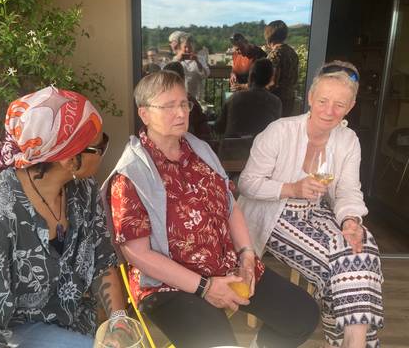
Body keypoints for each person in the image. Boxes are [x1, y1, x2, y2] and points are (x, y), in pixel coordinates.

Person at [100, 71, 319, 348]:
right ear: (144, 114)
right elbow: (137, 253)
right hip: (172, 286)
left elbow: (231, 207)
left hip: (228, 267)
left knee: (302, 314)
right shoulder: (131, 173)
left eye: (184, 104)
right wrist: (205, 287)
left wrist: (247, 256)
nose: (180, 113)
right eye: (168, 106)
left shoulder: (200, 149)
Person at [0, 86, 128, 348]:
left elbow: (102, 261)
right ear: (70, 160)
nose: (105, 151)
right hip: (5, 336)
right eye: (100, 145)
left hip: (71, 330)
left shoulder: (84, 191)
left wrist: (119, 322)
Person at [237, 61, 384, 348]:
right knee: (340, 262)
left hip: (315, 213)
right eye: (323, 101)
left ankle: (353, 341)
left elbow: (349, 191)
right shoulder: (280, 131)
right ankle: (352, 342)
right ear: (310, 99)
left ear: (351, 106)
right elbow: (247, 183)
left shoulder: (348, 140)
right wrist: (292, 188)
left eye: (339, 104)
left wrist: (351, 221)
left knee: (362, 245)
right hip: (273, 214)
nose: (329, 111)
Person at [215, 58, 282, 138]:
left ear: (251, 76)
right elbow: (275, 132)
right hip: (260, 148)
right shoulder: (275, 102)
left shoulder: (234, 98)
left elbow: (219, 128)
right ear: (270, 79)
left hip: (232, 148)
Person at [163, 61, 211, 140]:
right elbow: (203, 129)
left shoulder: (158, 101)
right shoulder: (189, 100)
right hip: (189, 144)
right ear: (183, 78)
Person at [264, 20, 299, 117]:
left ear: (269, 37)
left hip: (277, 100)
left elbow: (272, 83)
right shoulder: (292, 52)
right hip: (290, 98)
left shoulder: (275, 55)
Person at [173, 33, 210, 100]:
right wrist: (178, 61)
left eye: (190, 47)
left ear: (194, 47)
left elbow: (206, 75)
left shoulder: (200, 58)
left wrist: (197, 62)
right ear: (181, 46)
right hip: (180, 95)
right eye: (185, 47)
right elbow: (170, 75)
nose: (187, 49)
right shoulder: (176, 59)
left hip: (196, 96)